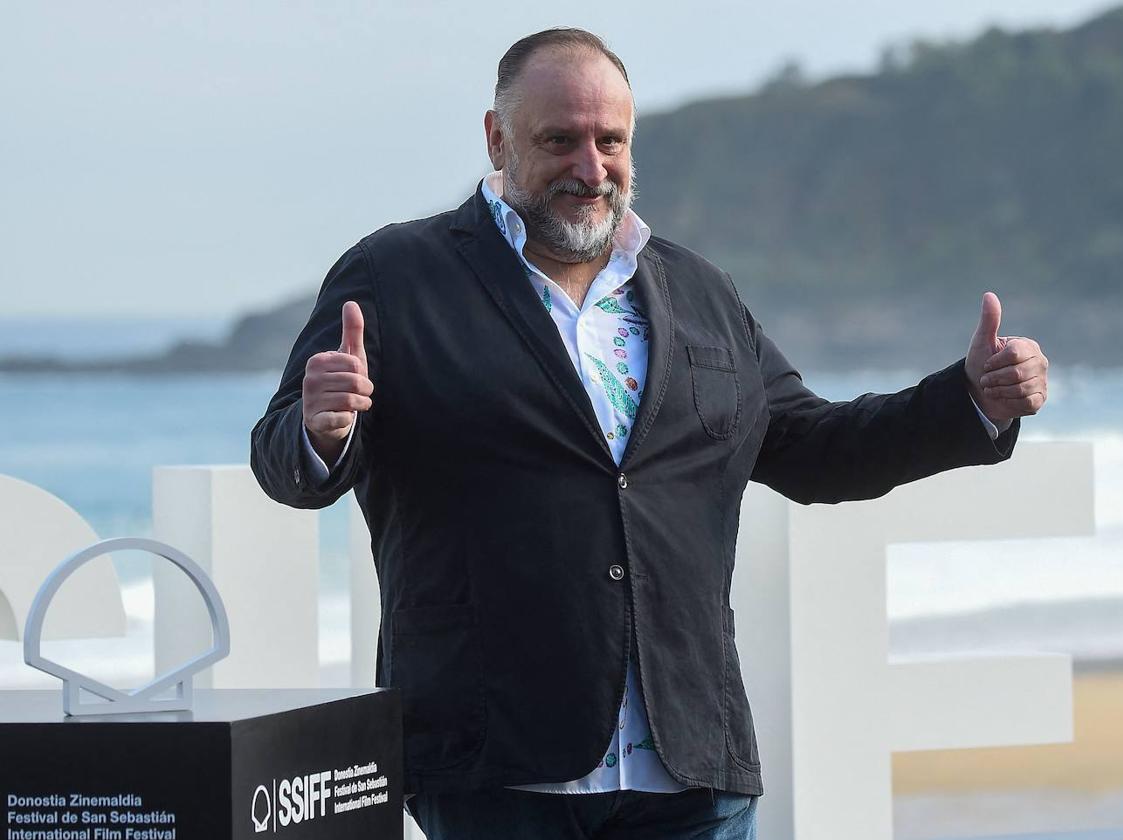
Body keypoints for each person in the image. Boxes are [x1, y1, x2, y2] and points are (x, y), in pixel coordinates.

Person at [250, 27, 1048, 840]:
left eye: (610, 141)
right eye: (558, 140)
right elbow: (284, 461)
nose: (590, 169)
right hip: (495, 771)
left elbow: (816, 449)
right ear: (497, 138)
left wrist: (970, 402)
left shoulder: (698, 289)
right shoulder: (395, 276)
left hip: (692, 773)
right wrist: (320, 427)